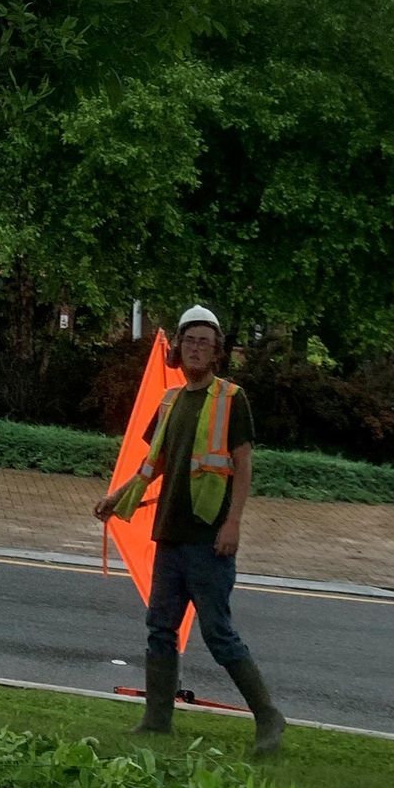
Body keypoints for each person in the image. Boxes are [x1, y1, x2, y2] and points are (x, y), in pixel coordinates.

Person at [93, 303, 286, 752]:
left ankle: (268, 716)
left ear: (216, 352)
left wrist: (233, 523)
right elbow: (153, 463)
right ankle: (157, 720)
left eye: (205, 342)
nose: (196, 348)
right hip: (170, 535)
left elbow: (242, 464)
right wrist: (116, 497)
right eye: (189, 341)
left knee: (218, 633)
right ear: (178, 348)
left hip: (209, 538)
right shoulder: (170, 401)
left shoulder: (231, 398)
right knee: (160, 627)